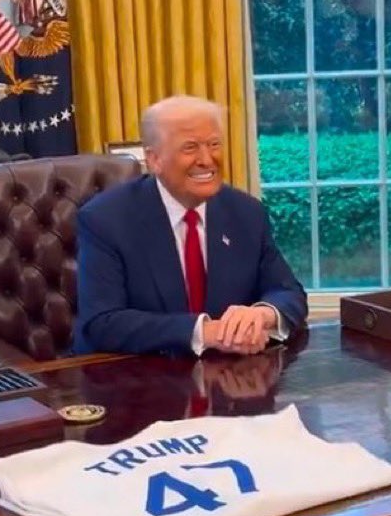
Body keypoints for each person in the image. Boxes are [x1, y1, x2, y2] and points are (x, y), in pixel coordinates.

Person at [73, 95, 306, 357]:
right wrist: (204, 332)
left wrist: (263, 314)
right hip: (139, 373)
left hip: (230, 373)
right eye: (190, 147)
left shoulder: (246, 212)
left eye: (214, 144)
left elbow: (288, 292)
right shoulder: (105, 219)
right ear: (154, 159)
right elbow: (102, 322)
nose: (207, 159)